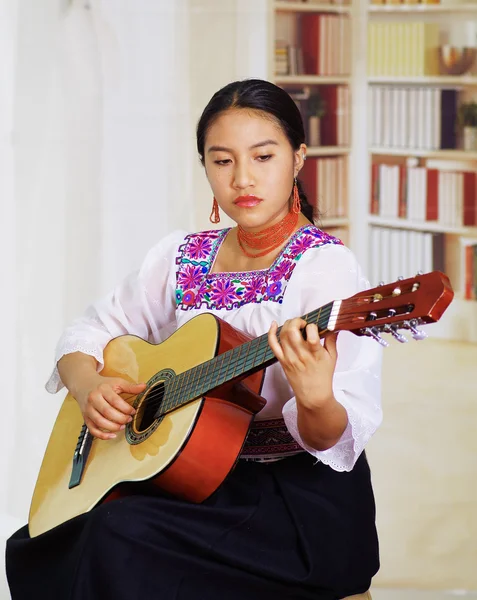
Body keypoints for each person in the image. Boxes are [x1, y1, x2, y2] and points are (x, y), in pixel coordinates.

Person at [6, 78, 383, 600]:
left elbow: (332, 440)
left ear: (298, 158)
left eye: (263, 156)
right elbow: (89, 331)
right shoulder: (182, 255)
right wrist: (89, 385)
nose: (243, 178)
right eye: (222, 160)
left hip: (293, 502)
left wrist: (316, 397)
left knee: (116, 538)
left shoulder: (327, 268)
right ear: (204, 166)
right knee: (40, 540)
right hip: (192, 477)